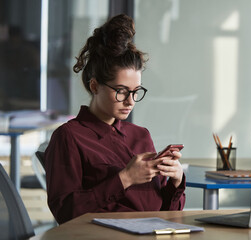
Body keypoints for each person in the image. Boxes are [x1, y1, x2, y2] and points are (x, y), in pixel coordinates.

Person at [44, 14, 186, 224]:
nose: (130, 101)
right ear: (94, 86)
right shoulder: (69, 137)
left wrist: (176, 181)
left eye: (136, 91)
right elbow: (65, 212)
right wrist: (125, 179)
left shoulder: (141, 135)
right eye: (121, 91)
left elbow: (166, 213)